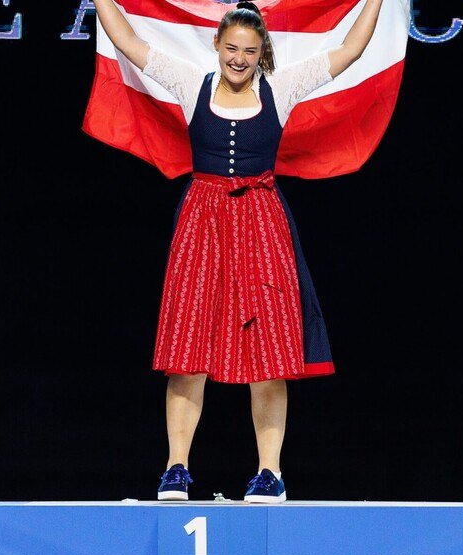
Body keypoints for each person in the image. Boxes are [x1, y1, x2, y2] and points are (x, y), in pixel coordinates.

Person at [91, 0, 385, 503]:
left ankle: (270, 473)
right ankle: (176, 468)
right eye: (231, 48)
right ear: (217, 45)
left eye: (249, 51)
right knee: (186, 353)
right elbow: (127, 40)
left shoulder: (282, 88)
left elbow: (351, 49)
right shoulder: (191, 84)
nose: (239, 59)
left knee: (268, 356)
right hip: (202, 223)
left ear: (261, 51)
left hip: (261, 225)